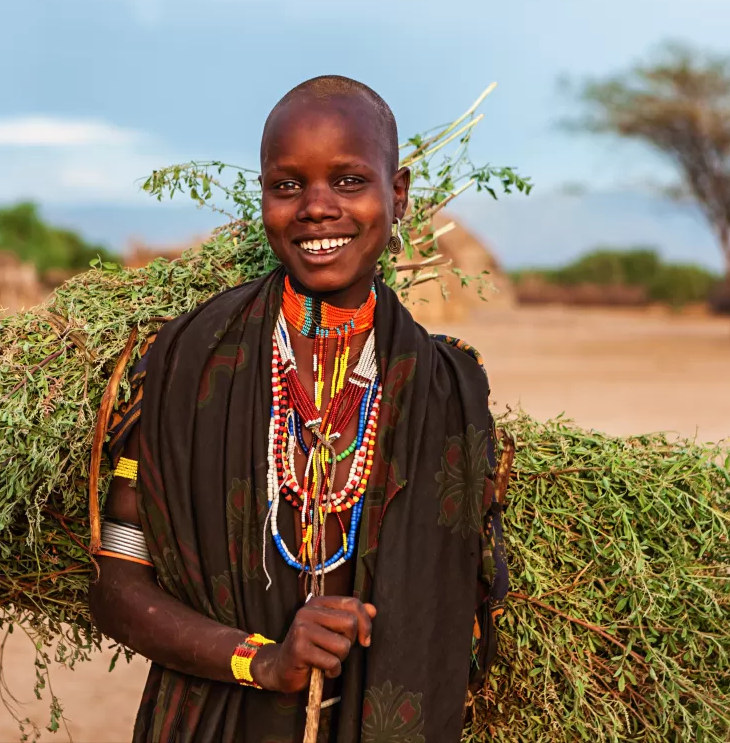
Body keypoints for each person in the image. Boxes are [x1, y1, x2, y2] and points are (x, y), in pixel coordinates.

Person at [89, 76, 508, 742]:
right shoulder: (187, 363)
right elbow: (117, 588)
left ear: (395, 195)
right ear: (263, 198)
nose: (316, 208)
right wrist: (263, 659)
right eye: (287, 186)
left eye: (347, 181)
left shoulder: (447, 389)